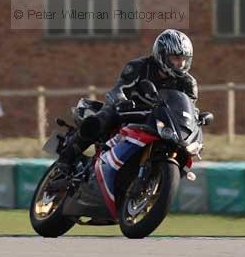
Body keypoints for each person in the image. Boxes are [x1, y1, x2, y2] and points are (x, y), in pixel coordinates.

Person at [56, 29, 205, 174]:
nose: (181, 63)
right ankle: (66, 158)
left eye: (184, 59)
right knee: (101, 120)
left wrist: (197, 118)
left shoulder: (188, 83)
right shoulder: (139, 66)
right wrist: (121, 101)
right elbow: (119, 89)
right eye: (176, 58)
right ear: (162, 55)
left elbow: (190, 108)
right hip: (129, 110)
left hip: (159, 120)